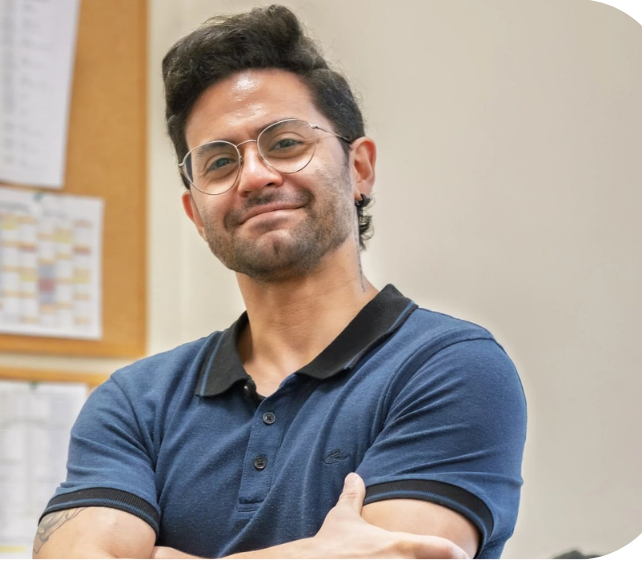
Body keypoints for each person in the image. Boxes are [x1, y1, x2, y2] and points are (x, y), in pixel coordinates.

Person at [33, 5, 526, 560]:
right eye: (218, 162)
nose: (255, 176)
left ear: (359, 169)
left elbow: (401, 556)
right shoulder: (135, 402)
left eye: (286, 143)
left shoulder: (449, 367)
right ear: (196, 213)